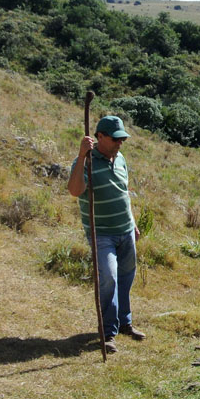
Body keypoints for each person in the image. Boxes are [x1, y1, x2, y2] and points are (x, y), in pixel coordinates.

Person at [68, 115, 145, 353]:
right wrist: (82, 156)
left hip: (125, 230)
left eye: (122, 139)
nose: (120, 143)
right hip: (102, 234)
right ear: (99, 137)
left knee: (125, 277)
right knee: (109, 278)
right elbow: (75, 190)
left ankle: (124, 323)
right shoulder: (86, 162)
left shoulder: (120, 159)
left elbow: (123, 192)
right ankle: (108, 332)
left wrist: (132, 223)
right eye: (115, 139)